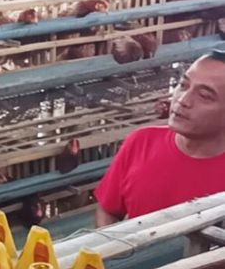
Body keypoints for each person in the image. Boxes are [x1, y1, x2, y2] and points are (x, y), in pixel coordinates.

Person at [95, 50, 225, 227]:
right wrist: (112, 252)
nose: (182, 100)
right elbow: (108, 210)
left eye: (204, 95)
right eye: (183, 85)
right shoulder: (141, 142)